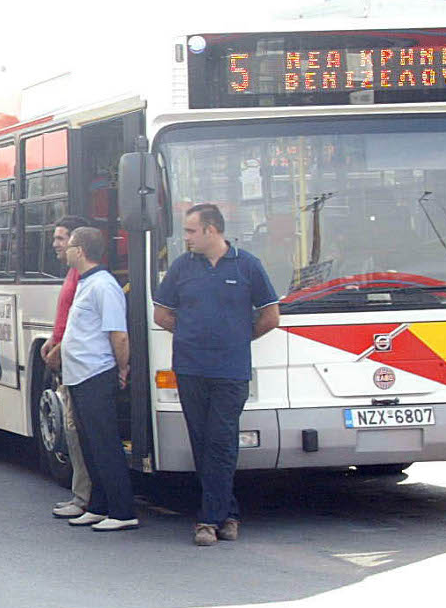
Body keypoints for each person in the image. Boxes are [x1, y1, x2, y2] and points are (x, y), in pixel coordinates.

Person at [153, 202, 281, 547]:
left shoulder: (247, 264)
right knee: (202, 441)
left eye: (191, 231)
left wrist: (237, 337)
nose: (186, 237)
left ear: (211, 230)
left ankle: (208, 520)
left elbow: (271, 316)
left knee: (221, 441)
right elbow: (161, 315)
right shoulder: (182, 267)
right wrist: (192, 334)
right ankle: (229, 513)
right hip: (190, 368)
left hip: (230, 370)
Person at [59, 228, 137, 532]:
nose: (64, 250)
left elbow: (118, 335)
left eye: (69, 245)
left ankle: (122, 510)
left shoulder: (104, 286)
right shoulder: (85, 282)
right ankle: (98, 505)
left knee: (105, 444)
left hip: (95, 374)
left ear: (80, 251)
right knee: (90, 445)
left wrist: (122, 369)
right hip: (79, 376)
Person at [41, 215, 95, 518]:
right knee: (73, 431)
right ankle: (81, 495)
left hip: (77, 363)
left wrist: (59, 347)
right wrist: (54, 339)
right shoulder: (73, 275)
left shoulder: (86, 279)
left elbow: (81, 324)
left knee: (76, 432)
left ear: (78, 245)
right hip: (68, 359)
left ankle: (85, 497)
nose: (56, 244)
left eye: (62, 238)